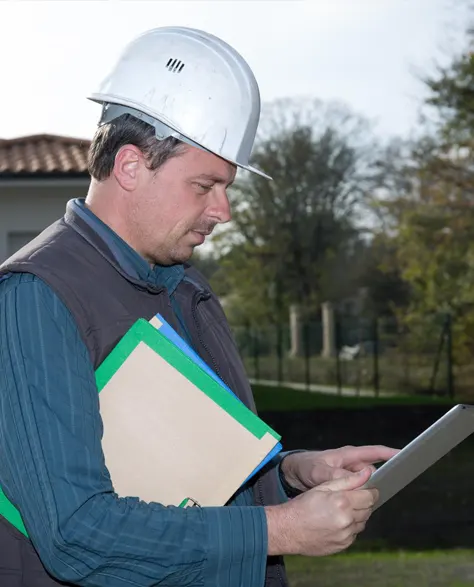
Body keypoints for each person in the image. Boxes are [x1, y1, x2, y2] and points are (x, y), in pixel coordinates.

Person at [0, 26, 397, 587]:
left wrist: (292, 474)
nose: (225, 211)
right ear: (132, 166)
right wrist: (278, 530)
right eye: (205, 185)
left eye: (227, 186)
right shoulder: (35, 299)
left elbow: (189, 474)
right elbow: (76, 532)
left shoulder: (184, 288)